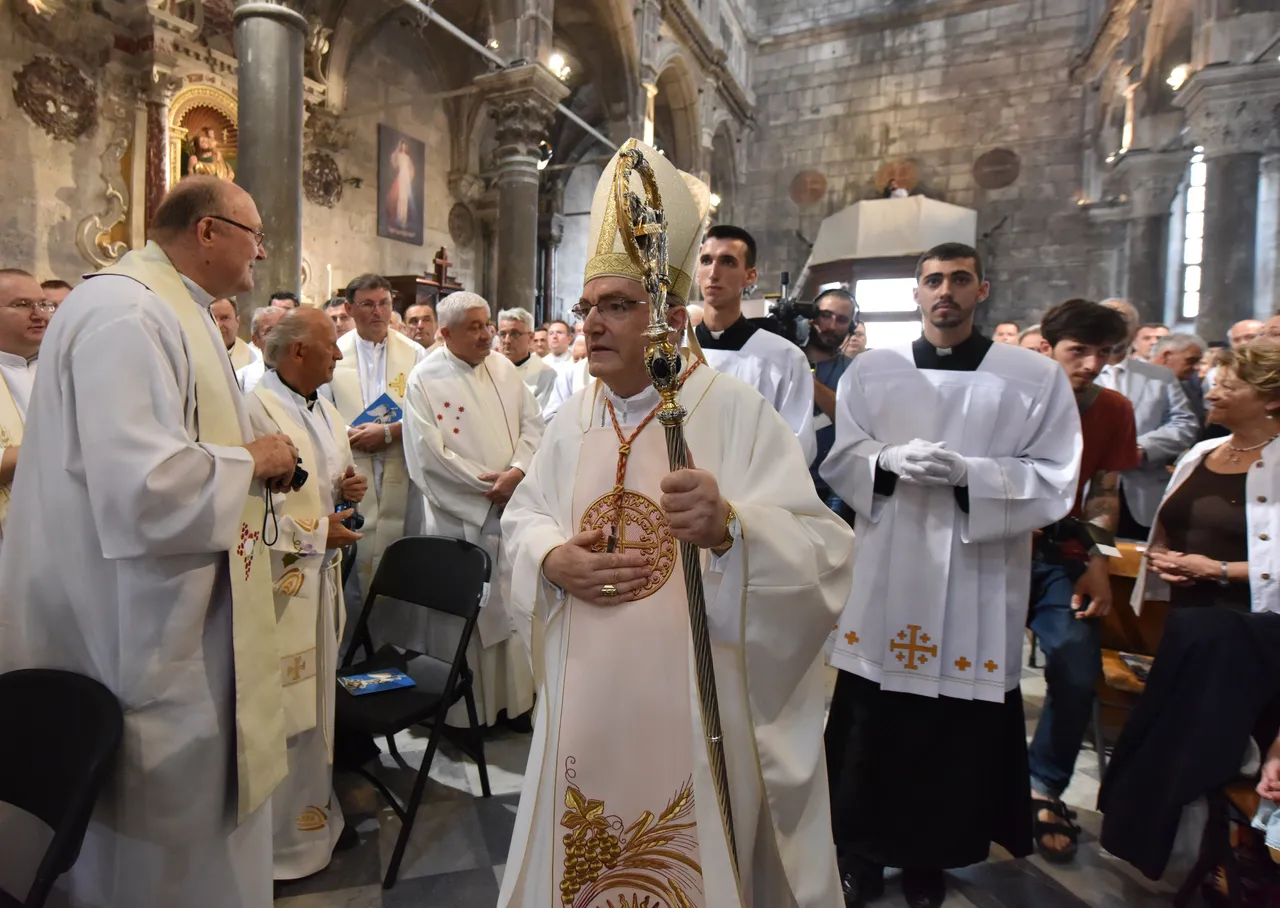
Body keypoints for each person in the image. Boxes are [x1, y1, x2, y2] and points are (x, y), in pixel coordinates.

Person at [498, 136, 854, 908]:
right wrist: (551, 560)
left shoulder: (734, 412)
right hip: (583, 703)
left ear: (668, 312)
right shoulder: (573, 416)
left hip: (696, 706)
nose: (592, 325)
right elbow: (524, 517)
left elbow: (825, 552)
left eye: (616, 306)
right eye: (587, 308)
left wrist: (733, 530)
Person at [0, 175, 300, 908]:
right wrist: (257, 460)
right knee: (153, 847)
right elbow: (145, 489)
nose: (259, 255)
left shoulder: (169, 309)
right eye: (253, 237)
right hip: (142, 626)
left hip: (178, 615)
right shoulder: (127, 314)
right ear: (207, 233)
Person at [821, 242, 1081, 908]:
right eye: (933, 280)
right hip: (889, 567)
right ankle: (859, 851)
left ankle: (930, 858)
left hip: (977, 576)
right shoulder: (871, 373)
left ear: (982, 290)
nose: (945, 291)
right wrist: (885, 460)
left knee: (950, 727)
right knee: (872, 718)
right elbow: (843, 461)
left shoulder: (1033, 377)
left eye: (959, 280)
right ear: (916, 294)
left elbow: (1056, 477)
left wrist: (974, 475)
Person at [1098, 341, 1280, 880]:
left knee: (1190, 749)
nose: (1213, 389)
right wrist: (1171, 564)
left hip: (1253, 635)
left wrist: (1219, 571)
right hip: (1192, 630)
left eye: (1230, 384)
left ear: (1271, 399)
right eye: (1214, 379)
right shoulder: (1205, 451)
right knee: (1167, 744)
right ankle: (1168, 845)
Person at [245, 307, 366, 880]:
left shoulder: (324, 408)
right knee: (286, 709)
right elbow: (247, 512)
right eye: (329, 347)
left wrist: (346, 486)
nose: (339, 355)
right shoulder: (253, 407)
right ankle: (279, 846)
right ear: (297, 353)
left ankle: (318, 818)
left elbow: (324, 480)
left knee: (318, 704)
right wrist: (320, 531)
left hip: (321, 580)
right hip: (278, 588)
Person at [1026, 299, 1139, 863]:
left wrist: (1098, 558)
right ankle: (974, 777)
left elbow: (1103, 489)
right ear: (1048, 347)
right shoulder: (1013, 393)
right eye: (1080, 351)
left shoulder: (1113, 408)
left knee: (1076, 664)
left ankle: (1044, 784)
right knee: (979, 667)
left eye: (1105, 353)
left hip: (1061, 553)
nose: (1093, 363)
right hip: (992, 548)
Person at [397, 292, 543, 727]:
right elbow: (428, 456)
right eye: (475, 328)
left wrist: (517, 472)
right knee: (466, 613)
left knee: (511, 608)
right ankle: (465, 715)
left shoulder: (504, 368)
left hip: (510, 509)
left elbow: (533, 426)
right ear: (445, 334)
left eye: (487, 325)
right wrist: (485, 492)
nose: (487, 336)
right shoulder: (424, 379)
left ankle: (513, 703)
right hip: (460, 517)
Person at [329, 273, 428, 602]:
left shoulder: (414, 354)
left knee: (400, 555)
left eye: (384, 303)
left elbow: (426, 415)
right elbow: (319, 410)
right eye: (367, 304)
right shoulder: (333, 352)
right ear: (349, 308)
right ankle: (356, 647)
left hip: (400, 464)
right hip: (350, 468)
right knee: (354, 560)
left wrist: (388, 432)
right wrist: (350, 434)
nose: (377, 312)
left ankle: (394, 641)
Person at [694, 224, 817, 463]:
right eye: (706, 261)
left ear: (749, 276)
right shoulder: (673, 352)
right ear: (697, 272)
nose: (714, 272)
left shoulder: (784, 358)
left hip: (746, 495)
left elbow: (796, 445)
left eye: (728, 262)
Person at [1099, 299, 1199, 539]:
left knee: (1134, 564)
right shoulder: (1072, 372)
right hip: (1087, 493)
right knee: (1093, 558)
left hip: (1142, 490)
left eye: (1122, 321)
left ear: (1135, 331)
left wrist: (1142, 447)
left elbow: (1185, 423)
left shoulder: (1159, 376)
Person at [0, 269, 50, 550]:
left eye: (44, 304)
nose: (39, 313)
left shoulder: (66, 367)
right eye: (22, 304)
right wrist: (53, 444)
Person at [804, 287, 855, 512]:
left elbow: (846, 416)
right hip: (786, 478)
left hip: (834, 486)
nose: (832, 326)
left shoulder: (854, 371)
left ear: (851, 327)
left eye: (842, 320)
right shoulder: (783, 360)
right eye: (826, 315)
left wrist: (806, 377)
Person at [499, 307, 556, 409]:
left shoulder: (546, 375)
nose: (507, 340)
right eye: (503, 334)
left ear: (530, 337)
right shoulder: (489, 369)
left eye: (514, 334)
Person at [1150, 332, 1208, 425]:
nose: (1197, 367)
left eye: (1198, 362)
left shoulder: (1191, 390)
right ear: (1166, 356)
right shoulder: (1132, 385)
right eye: (1191, 361)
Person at [237, 305, 287, 393]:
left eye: (284, 329)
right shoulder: (241, 380)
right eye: (270, 331)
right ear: (255, 340)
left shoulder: (311, 377)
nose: (279, 336)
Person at [211, 297, 260, 371]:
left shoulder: (255, 358)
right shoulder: (192, 354)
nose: (218, 325)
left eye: (225, 318)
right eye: (212, 318)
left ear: (238, 321)